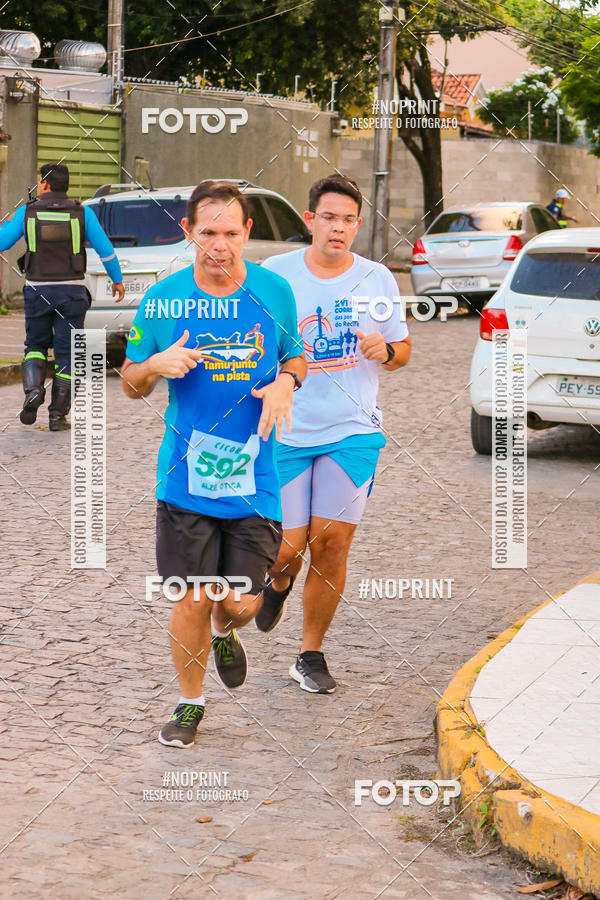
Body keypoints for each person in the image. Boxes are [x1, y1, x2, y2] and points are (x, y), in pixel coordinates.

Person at [121, 180, 306, 748]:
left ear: (248, 232)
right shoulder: (162, 300)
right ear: (188, 233)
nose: (219, 245)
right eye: (207, 233)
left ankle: (228, 632)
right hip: (185, 481)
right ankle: (189, 703)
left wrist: (286, 382)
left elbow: (295, 355)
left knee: (237, 604)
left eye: (230, 232)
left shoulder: (274, 292)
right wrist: (154, 362)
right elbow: (130, 384)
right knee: (192, 596)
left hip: (256, 481)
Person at [257, 173, 411, 694]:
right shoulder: (275, 276)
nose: (338, 228)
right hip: (286, 431)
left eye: (348, 220)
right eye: (329, 217)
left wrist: (384, 352)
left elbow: (403, 350)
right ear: (310, 220)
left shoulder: (378, 280)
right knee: (286, 549)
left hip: (352, 431)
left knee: (331, 545)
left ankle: (310, 653)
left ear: (358, 225)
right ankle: (279, 581)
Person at [0, 163, 125, 430]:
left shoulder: (27, 212)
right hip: (72, 293)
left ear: (44, 184)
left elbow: (2, 242)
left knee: (35, 345)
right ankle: (57, 416)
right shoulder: (83, 213)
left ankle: (33, 390)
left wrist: (10, 222)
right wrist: (117, 280)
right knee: (67, 354)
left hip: (37, 291)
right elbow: (106, 250)